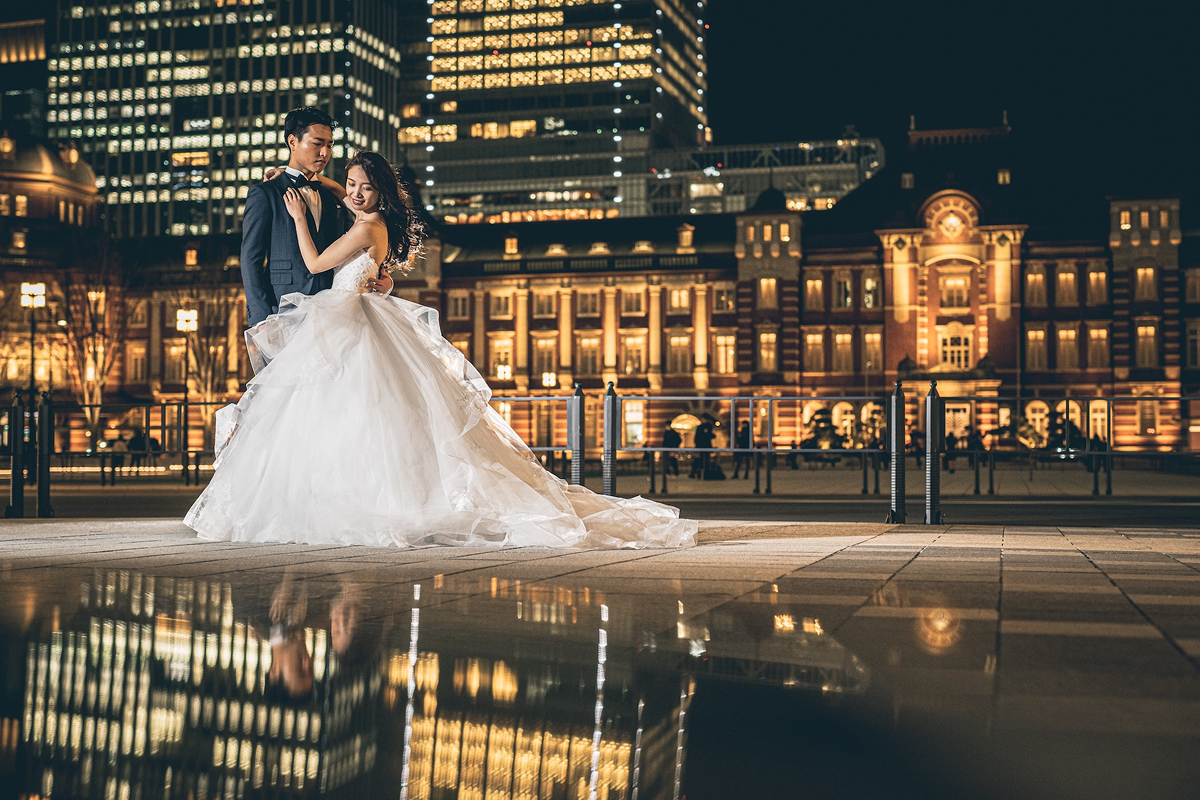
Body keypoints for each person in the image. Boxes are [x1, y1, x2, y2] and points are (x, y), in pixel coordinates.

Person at [185, 151, 694, 549]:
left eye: (365, 186)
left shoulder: (365, 225)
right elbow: (356, 217)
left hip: (346, 323)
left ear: (380, 191)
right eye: (353, 185)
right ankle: (375, 497)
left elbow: (316, 262)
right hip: (359, 318)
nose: (357, 193)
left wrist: (296, 213)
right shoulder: (372, 220)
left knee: (345, 417)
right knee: (371, 419)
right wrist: (308, 181)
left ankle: (349, 502)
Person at [239, 107, 391, 328]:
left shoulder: (335, 198)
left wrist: (382, 277)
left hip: (333, 318)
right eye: (317, 144)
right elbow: (250, 260)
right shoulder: (266, 194)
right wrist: (261, 322)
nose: (325, 153)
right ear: (292, 142)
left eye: (329, 145)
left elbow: (363, 245)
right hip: (282, 316)